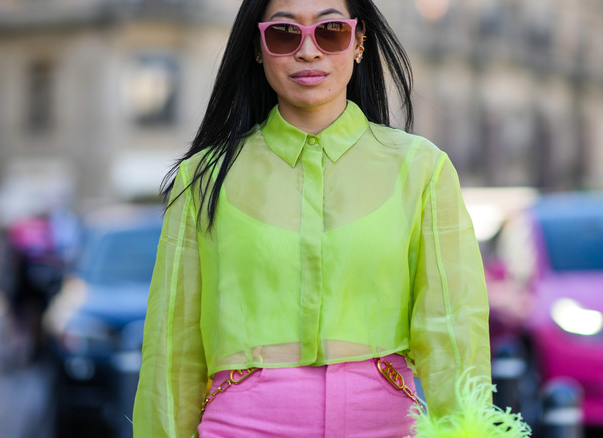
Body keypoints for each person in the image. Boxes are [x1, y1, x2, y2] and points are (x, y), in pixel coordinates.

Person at [133, 1, 528, 437]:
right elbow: (172, 348)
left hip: (386, 425)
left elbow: (453, 329)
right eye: (284, 33)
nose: (308, 51)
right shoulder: (203, 178)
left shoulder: (421, 169)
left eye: (331, 30)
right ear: (258, 48)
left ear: (359, 42)